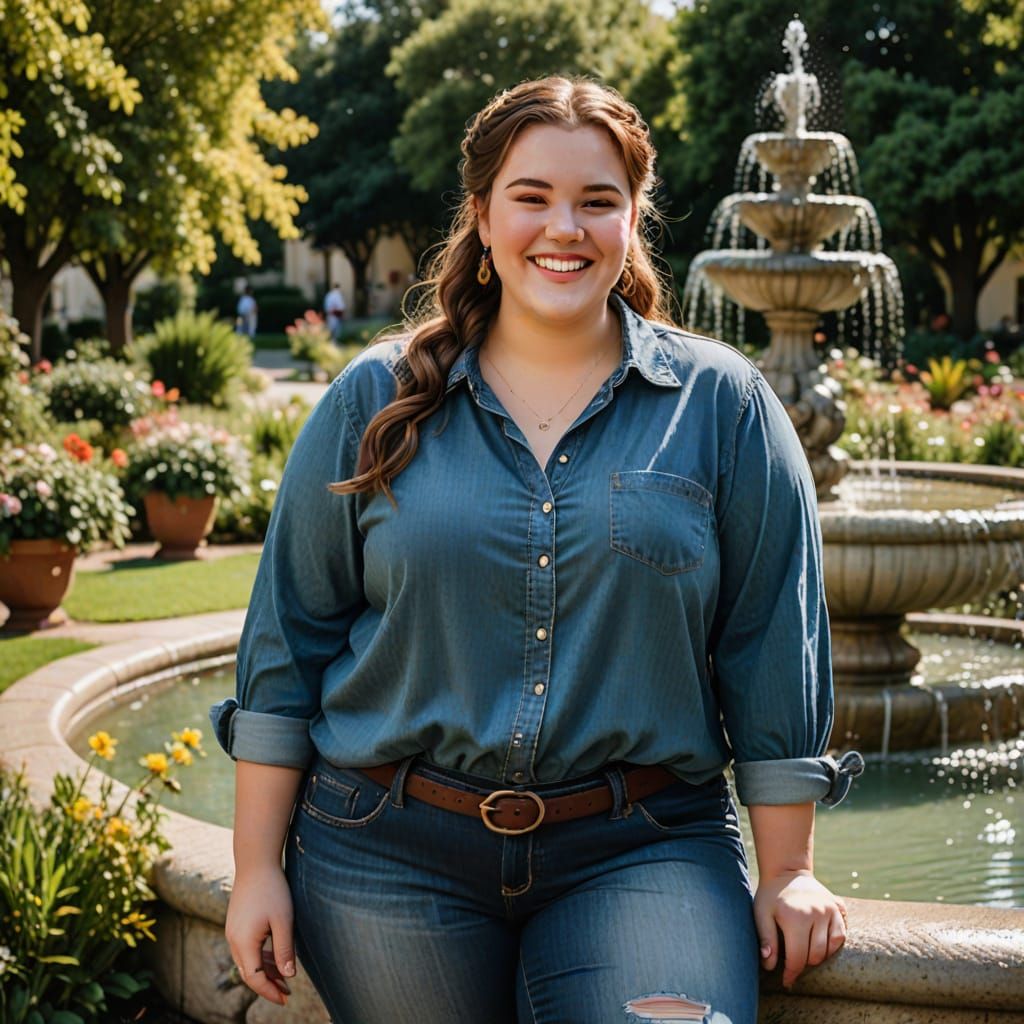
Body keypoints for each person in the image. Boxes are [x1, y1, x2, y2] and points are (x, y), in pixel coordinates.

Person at [211, 75, 863, 1024]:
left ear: (634, 218)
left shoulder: (724, 407)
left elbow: (772, 644)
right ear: (481, 216)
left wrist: (791, 871)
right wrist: (254, 868)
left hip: (644, 844)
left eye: (598, 201)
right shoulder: (373, 401)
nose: (566, 227)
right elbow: (290, 643)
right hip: (385, 848)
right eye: (532, 198)